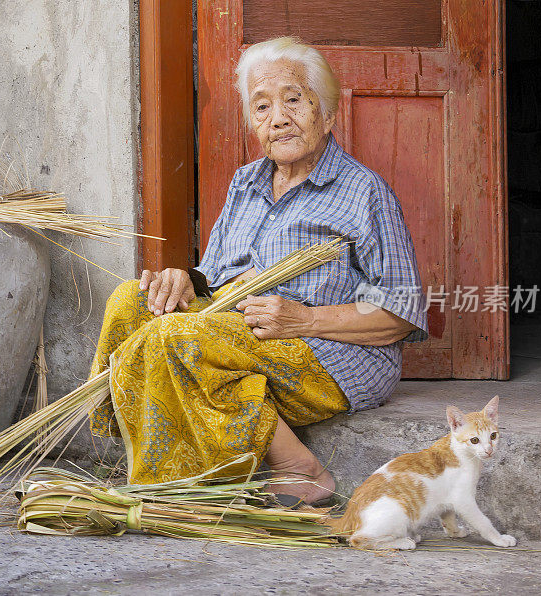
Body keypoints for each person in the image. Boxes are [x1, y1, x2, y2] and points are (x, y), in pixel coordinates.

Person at [89, 36, 428, 506]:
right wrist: (186, 280)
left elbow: (401, 313)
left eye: (294, 101)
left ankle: (281, 469)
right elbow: (214, 273)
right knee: (131, 303)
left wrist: (303, 319)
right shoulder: (246, 182)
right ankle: (142, 451)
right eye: (262, 107)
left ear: (327, 114)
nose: (278, 119)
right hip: (244, 333)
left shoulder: (362, 194)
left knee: (176, 340)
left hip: (329, 352)